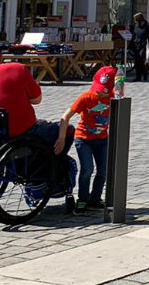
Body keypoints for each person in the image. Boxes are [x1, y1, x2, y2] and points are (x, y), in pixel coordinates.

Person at [55, 66, 115, 209]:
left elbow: (119, 106)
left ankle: (95, 198)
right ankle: (82, 199)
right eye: (99, 89)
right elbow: (66, 116)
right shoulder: (86, 97)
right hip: (84, 139)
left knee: (103, 171)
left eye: (104, 90)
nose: (100, 93)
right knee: (87, 169)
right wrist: (61, 138)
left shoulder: (112, 97)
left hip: (102, 140)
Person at [129, 13, 149, 82]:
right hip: (136, 45)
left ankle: (144, 75)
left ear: (139, 19)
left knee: (141, 61)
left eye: (135, 19)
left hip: (143, 45)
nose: (135, 21)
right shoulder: (136, 26)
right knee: (136, 62)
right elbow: (134, 34)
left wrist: (148, 42)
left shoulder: (147, 25)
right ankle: (138, 76)